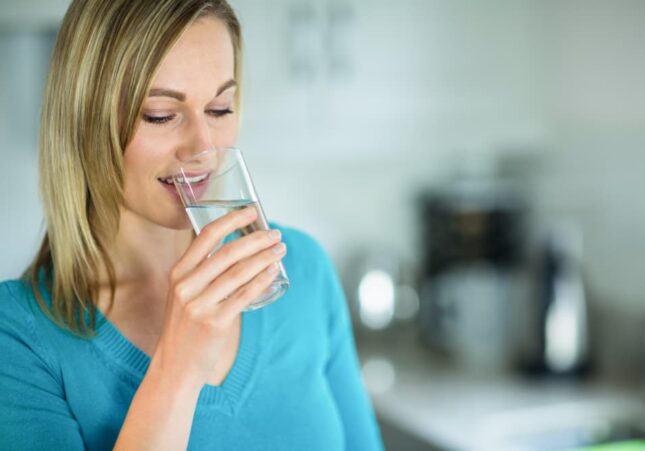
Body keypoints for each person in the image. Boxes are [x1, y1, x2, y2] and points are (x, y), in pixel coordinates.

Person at [0, 1, 384, 450]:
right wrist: (176, 371)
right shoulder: (19, 336)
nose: (204, 147)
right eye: (160, 114)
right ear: (84, 120)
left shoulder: (304, 269)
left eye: (220, 109)